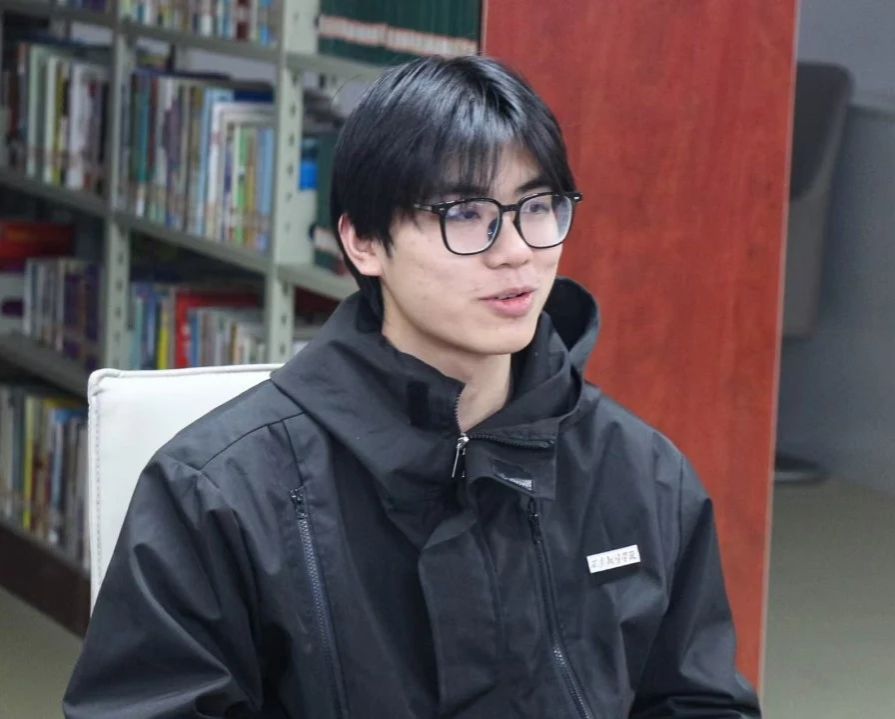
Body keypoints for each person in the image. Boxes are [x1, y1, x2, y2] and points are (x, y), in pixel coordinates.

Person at [64, 55, 761, 718]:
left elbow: (697, 701)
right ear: (364, 242)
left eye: (538, 206)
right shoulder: (218, 490)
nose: (517, 249)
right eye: (466, 214)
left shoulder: (642, 472)